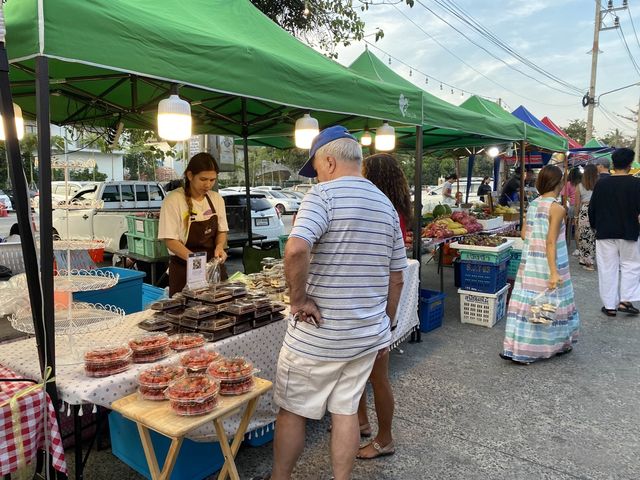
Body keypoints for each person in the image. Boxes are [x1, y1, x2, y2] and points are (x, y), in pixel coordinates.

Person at [265, 127, 407, 480]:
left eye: (316, 166)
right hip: (364, 336)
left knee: (293, 412)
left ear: (329, 160)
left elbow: (296, 248)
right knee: (345, 411)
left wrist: (298, 299)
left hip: (318, 337)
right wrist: (384, 327)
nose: (318, 175)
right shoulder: (386, 204)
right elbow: (397, 277)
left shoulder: (322, 195)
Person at [355, 153, 411, 460]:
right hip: (371, 307)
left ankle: (385, 438)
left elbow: (396, 276)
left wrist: (387, 324)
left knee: (377, 376)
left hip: (375, 309)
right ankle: (363, 422)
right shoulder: (386, 208)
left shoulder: (384, 211)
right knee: (359, 375)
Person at [501, 165, 580, 364]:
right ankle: (555, 345)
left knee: (529, 305)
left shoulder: (534, 204)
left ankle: (518, 348)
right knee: (551, 304)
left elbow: (523, 233)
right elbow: (551, 241)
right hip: (551, 263)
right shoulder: (558, 208)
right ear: (560, 183)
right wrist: (554, 273)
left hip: (530, 264)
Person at [158, 153, 228, 295]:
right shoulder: (173, 200)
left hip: (213, 266)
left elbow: (222, 231)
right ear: (190, 175)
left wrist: (220, 247)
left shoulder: (216, 199)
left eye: (212, 180)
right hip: (184, 269)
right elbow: (170, 240)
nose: (208, 184)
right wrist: (197, 262)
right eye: (203, 179)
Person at [588, 147, 640, 317]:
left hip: (605, 232)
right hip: (629, 232)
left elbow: (592, 208)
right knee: (630, 266)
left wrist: (595, 226)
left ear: (613, 163)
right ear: (630, 164)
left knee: (607, 268)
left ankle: (610, 306)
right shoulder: (637, 184)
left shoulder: (601, 183)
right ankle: (626, 301)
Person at [576, 164, 598, 271]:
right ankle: (591, 260)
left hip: (584, 210)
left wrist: (576, 217)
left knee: (584, 237)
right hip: (596, 210)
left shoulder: (579, 186)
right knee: (594, 236)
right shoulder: (599, 185)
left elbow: (577, 204)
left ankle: (587, 261)